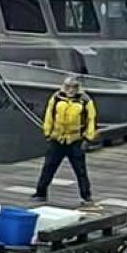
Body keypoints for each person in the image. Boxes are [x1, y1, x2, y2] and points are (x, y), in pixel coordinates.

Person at [34, 76, 97, 205]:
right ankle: (40, 192)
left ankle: (86, 195)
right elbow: (49, 115)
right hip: (57, 139)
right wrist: (47, 133)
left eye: (74, 87)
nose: (71, 90)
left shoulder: (85, 101)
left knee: (80, 170)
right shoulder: (56, 98)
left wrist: (88, 138)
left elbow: (91, 119)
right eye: (68, 87)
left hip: (76, 140)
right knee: (48, 167)